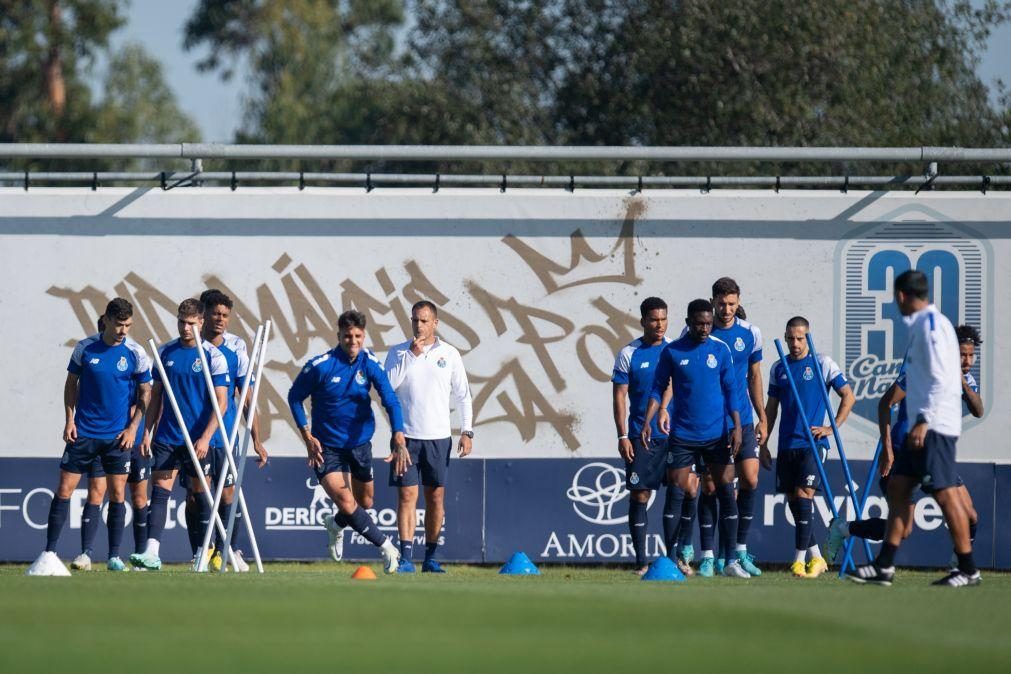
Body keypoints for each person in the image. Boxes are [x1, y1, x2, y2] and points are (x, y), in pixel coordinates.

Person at [846, 270, 979, 587]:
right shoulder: (927, 324)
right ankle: (884, 566)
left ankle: (968, 569)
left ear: (902, 296)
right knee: (898, 489)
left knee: (947, 497)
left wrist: (923, 420)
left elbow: (939, 378)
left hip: (934, 428)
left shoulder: (930, 327)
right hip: (919, 429)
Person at [829, 324, 983, 570]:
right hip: (903, 452)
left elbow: (978, 410)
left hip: (934, 454)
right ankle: (844, 529)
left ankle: (958, 563)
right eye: (961, 354)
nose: (966, 360)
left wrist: (961, 381)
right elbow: (884, 404)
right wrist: (888, 451)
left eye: (970, 355)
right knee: (903, 528)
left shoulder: (966, 379)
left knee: (971, 516)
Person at [27, 299, 152, 576]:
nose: (123, 330)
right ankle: (49, 553)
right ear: (106, 320)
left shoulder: (135, 352)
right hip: (83, 433)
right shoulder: (85, 348)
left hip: (117, 438)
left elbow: (146, 393)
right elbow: (71, 384)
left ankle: (114, 557)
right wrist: (69, 420)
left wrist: (133, 429)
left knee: (118, 494)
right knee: (64, 490)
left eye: (128, 325)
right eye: (119, 324)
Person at [288, 310, 404, 573]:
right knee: (344, 498)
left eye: (358, 336)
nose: (353, 341)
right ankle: (386, 546)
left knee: (365, 503)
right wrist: (306, 435)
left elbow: (389, 399)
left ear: (364, 336)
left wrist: (398, 431)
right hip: (326, 447)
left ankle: (336, 524)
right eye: (347, 336)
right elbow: (294, 396)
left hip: (360, 444)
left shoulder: (370, 362)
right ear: (338, 335)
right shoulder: (321, 365)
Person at [643, 299, 748, 578]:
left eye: (708, 323)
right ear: (688, 322)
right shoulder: (672, 351)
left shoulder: (720, 350)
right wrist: (648, 419)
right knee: (676, 492)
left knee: (726, 492)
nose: (704, 328)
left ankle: (730, 562)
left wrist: (737, 426)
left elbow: (732, 391)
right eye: (699, 323)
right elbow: (657, 387)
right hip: (683, 435)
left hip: (716, 435)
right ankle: (670, 559)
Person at [129, 298, 230, 571]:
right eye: (181, 322)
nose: (185, 328)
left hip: (198, 439)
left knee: (199, 496)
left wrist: (206, 437)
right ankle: (152, 552)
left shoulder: (213, 356)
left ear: (200, 322)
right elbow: (156, 396)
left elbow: (222, 403)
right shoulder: (165, 352)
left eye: (190, 323)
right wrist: (146, 432)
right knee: (160, 492)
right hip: (168, 437)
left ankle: (202, 551)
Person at [385, 300, 473, 573]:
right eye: (414, 320)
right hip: (406, 438)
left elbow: (463, 395)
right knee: (407, 497)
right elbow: (387, 388)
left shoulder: (450, 354)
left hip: (438, 438)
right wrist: (411, 356)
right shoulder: (399, 352)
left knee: (435, 497)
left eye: (424, 321)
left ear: (435, 323)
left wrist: (467, 430)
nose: (418, 325)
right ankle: (406, 558)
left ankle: (431, 557)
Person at [763, 316, 854, 579]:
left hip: (813, 444)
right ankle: (817, 558)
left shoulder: (823, 363)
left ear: (808, 336)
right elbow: (772, 408)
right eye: (790, 338)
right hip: (787, 444)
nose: (795, 343)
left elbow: (848, 396)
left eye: (800, 338)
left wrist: (832, 427)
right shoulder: (779, 367)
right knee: (795, 503)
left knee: (804, 496)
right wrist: (765, 442)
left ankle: (798, 562)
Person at [200, 289, 268, 572]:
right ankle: (203, 550)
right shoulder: (191, 344)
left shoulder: (236, 346)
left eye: (225, 315)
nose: (220, 320)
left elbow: (247, 395)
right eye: (215, 313)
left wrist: (256, 438)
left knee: (229, 493)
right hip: (195, 434)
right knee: (199, 495)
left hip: (226, 434)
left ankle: (228, 549)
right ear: (203, 314)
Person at [707, 277, 767, 576]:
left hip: (743, 418)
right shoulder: (703, 331)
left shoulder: (751, 333)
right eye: (721, 303)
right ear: (713, 301)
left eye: (732, 303)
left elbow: (755, 376)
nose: (727, 309)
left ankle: (740, 550)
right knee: (721, 486)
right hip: (714, 421)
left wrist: (763, 416)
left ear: (738, 301)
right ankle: (719, 554)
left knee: (751, 480)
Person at [612, 297, 676, 574]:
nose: (659, 325)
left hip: (675, 436)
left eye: (663, 319)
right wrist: (623, 436)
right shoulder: (629, 353)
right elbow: (619, 397)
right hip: (641, 436)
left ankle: (673, 559)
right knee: (640, 496)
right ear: (643, 321)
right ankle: (641, 562)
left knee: (680, 491)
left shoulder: (675, 350)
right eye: (653, 320)